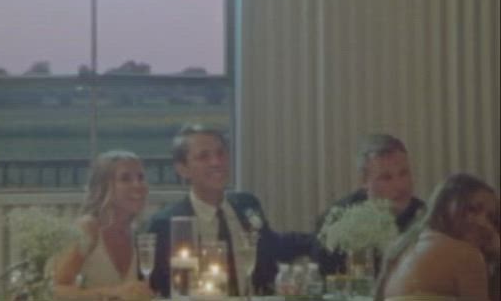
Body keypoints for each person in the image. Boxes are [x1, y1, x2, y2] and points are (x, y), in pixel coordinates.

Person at [148, 124, 313, 297]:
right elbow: (155, 287)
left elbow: (272, 245)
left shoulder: (247, 205)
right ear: (183, 169)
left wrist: (327, 236)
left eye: (221, 153)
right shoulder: (167, 224)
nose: (216, 162)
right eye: (204, 156)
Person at [374, 173, 500, 301]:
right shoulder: (465, 255)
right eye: (472, 209)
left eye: (491, 218)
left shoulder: (402, 249)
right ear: (445, 204)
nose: (484, 223)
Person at [314, 134, 426, 275]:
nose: (400, 186)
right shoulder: (336, 223)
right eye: (386, 178)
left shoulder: (428, 217)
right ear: (364, 181)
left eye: (404, 173)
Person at [53, 150, 154, 301]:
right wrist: (113, 292)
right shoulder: (88, 228)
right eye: (125, 178)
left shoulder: (134, 232)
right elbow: (54, 290)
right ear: (103, 186)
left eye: (141, 177)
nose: (137, 185)